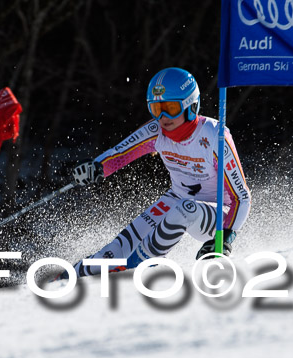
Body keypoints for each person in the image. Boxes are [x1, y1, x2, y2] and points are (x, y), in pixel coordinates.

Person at [69, 67, 251, 277]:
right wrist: (96, 167)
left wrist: (225, 239)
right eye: (156, 109)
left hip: (220, 215)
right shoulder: (157, 131)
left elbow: (242, 198)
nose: (163, 117)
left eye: (171, 108)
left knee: (186, 208)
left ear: (191, 105)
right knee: (116, 250)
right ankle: (66, 276)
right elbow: (120, 154)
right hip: (177, 198)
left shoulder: (215, 136)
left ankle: (137, 265)